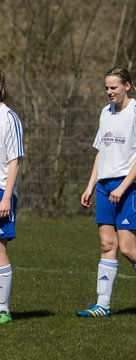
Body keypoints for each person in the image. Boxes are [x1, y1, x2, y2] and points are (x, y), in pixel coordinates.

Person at [77, 67, 136, 318]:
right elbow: (102, 152)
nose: (109, 92)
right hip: (104, 186)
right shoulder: (105, 113)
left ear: (127, 86)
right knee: (107, 244)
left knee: (128, 248)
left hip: (130, 187)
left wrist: (123, 186)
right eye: (107, 88)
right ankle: (102, 304)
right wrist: (90, 185)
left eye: (114, 87)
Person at [0, 69, 24, 324]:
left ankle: (3, 309)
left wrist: (6, 197)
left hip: (1, 190)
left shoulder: (8, 118)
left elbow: (15, 160)